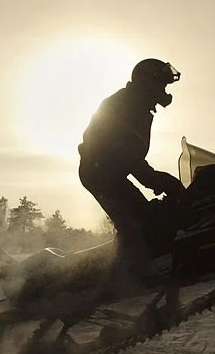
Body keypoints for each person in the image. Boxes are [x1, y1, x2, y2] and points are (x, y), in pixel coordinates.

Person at [78, 58, 186, 278]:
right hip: (100, 173)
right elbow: (127, 155)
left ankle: (135, 269)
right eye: (161, 85)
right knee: (138, 225)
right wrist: (161, 181)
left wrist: (158, 181)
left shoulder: (137, 106)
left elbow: (129, 157)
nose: (163, 91)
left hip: (110, 172)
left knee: (147, 216)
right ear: (148, 83)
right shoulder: (129, 107)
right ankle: (129, 279)